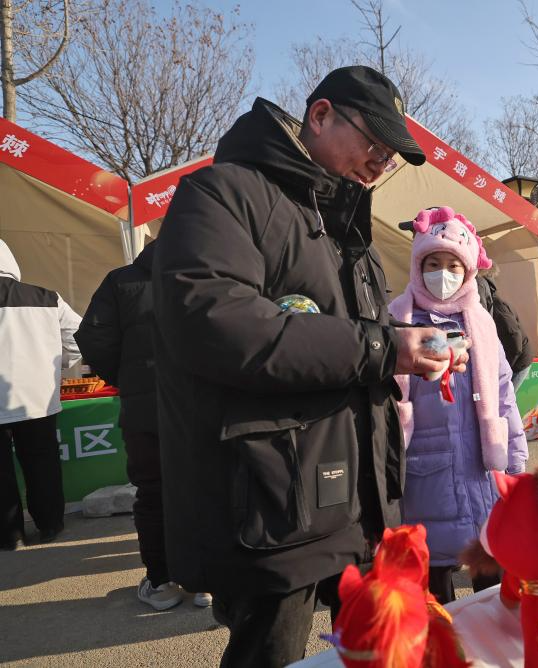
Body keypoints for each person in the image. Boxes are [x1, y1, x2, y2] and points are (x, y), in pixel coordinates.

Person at [151, 66, 466, 667]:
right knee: (271, 652)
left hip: (360, 498)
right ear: (320, 116)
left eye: (390, 157)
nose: (379, 164)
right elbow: (216, 323)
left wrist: (412, 347)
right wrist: (385, 349)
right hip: (276, 501)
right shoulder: (224, 193)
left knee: (374, 651)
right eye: (373, 143)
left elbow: (356, 342)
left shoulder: (349, 229)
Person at [389, 206, 529, 604]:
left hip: (480, 468)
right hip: (423, 469)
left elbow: (503, 395)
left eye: (453, 265)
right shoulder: (399, 321)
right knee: (434, 581)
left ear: (468, 271)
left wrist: (516, 459)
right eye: (433, 264)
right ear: (418, 266)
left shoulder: (480, 322)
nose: (443, 274)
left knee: (492, 574)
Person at [75, 242, 212, 610]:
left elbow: (93, 339)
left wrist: (127, 378)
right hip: (203, 407)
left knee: (153, 494)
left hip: (145, 410)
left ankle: (162, 582)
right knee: (208, 490)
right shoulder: (212, 274)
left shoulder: (119, 281)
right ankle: (206, 581)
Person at [0, 240, 81, 550]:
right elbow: (79, 338)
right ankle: (50, 525)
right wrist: (53, 367)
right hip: (37, 398)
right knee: (42, 462)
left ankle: (10, 536)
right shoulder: (47, 297)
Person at [476, 269, 534, 390]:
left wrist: (505, 367)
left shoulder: (498, 307)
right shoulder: (494, 304)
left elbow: (514, 340)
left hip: (519, 363)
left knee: (506, 396)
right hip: (515, 357)